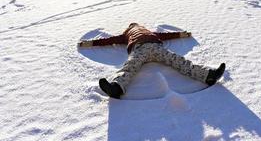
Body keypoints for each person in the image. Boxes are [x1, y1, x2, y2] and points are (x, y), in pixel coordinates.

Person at [78, 23, 225, 99]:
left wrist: (182, 34)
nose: (135, 28)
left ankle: (208, 75)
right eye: (132, 26)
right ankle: (116, 88)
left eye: (136, 26)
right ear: (129, 28)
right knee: (130, 66)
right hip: (139, 49)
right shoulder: (125, 35)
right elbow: (109, 40)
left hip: (156, 48)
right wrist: (89, 43)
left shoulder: (150, 33)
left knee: (178, 61)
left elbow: (167, 36)